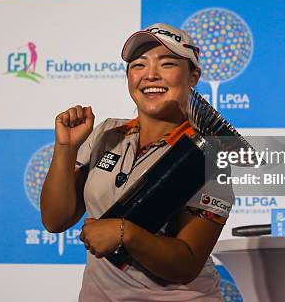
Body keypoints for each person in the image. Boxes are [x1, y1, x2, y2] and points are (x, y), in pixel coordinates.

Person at [40, 23, 234, 301]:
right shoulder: (106, 133)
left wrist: (126, 233)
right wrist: (66, 148)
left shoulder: (209, 153)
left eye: (167, 64)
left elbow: (186, 265)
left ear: (193, 76)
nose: (150, 75)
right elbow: (55, 220)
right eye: (138, 65)